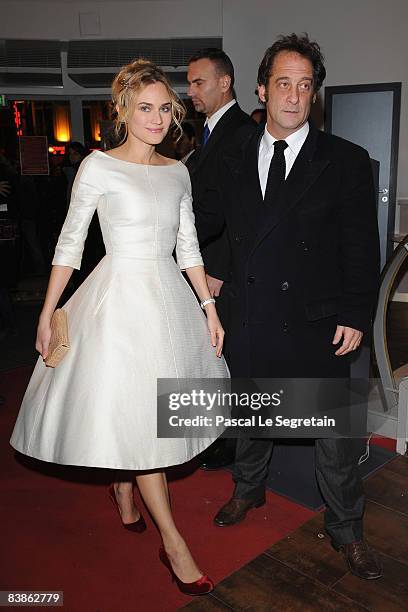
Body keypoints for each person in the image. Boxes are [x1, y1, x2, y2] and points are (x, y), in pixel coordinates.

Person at [10, 59, 229, 596]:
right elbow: (70, 242)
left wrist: (209, 306)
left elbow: (188, 248)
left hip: (168, 305)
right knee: (141, 419)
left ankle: (124, 488)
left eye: (164, 109)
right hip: (116, 301)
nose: (156, 119)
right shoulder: (98, 168)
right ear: (124, 111)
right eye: (145, 108)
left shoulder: (178, 171)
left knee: (151, 413)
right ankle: (173, 542)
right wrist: (46, 311)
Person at [196, 34, 382, 580]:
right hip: (251, 313)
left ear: (314, 96)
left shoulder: (344, 160)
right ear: (262, 89)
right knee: (253, 418)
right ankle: (247, 492)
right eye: (284, 83)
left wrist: (355, 311)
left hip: (319, 322)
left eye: (306, 86)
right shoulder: (231, 156)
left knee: (334, 438)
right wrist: (203, 267)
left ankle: (347, 530)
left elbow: (359, 246)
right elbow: (212, 224)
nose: (294, 96)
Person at [186, 47, 256, 470]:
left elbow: (241, 215)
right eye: (190, 82)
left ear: (224, 82)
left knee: (226, 355)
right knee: (213, 354)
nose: (191, 91)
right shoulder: (211, 133)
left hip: (220, 274)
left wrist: (218, 271)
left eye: (199, 82)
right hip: (205, 268)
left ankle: (230, 443)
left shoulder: (241, 135)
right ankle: (215, 434)